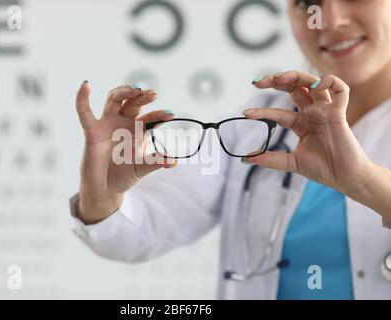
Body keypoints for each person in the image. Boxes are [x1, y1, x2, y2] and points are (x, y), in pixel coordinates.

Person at [69, 0, 391, 299]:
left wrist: (363, 181)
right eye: (307, 3)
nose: (332, 20)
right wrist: (103, 195)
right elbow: (145, 227)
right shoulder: (257, 121)